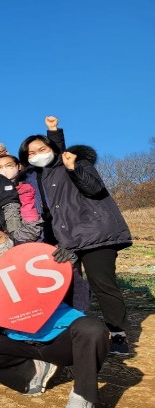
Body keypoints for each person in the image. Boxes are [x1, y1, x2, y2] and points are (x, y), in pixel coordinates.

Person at [0, 220, 109, 408]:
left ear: (6, 233)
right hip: (21, 344)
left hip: (63, 341)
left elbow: (81, 300)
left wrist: (70, 268)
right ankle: (32, 372)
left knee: (92, 328)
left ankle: (82, 394)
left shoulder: (39, 257)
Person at [19, 117, 133, 354]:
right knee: (68, 287)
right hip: (64, 240)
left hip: (95, 234)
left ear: (53, 149)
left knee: (102, 284)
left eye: (43, 149)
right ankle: (75, 332)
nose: (38, 154)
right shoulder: (35, 177)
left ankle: (119, 335)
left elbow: (94, 188)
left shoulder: (73, 164)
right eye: (31, 152)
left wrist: (55, 134)